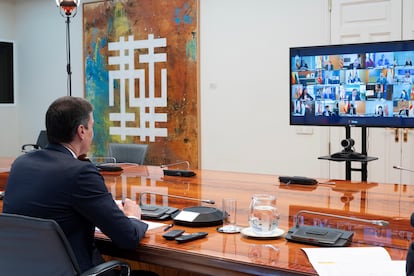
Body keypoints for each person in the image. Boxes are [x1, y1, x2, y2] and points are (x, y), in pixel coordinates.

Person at [3, 96, 152, 275]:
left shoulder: (21, 164)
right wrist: (133, 216)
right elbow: (128, 238)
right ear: (81, 131)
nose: (92, 133)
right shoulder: (80, 173)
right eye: (92, 126)